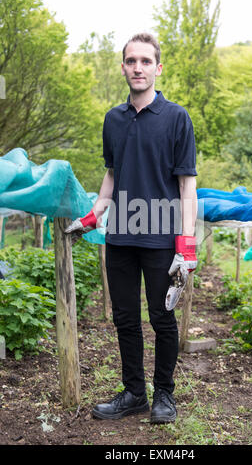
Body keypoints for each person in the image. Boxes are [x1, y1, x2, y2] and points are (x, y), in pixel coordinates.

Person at [65, 33, 198, 424]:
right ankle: (134, 394)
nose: (137, 67)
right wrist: (93, 215)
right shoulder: (113, 119)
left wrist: (186, 246)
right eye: (130, 61)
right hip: (120, 236)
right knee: (124, 318)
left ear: (158, 68)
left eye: (145, 61)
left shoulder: (176, 118)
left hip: (160, 235)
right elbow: (112, 173)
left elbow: (186, 184)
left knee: (161, 317)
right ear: (122, 67)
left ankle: (165, 396)